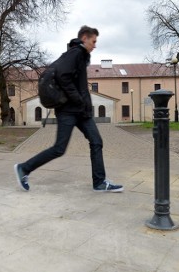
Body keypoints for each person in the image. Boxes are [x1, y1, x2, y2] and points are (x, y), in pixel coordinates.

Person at [14, 25, 123, 193]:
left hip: (82, 112)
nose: (95, 45)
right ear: (84, 38)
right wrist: (78, 99)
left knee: (96, 141)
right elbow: (62, 76)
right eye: (93, 41)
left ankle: (99, 182)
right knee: (59, 148)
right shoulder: (75, 53)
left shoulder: (80, 55)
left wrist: (82, 104)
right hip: (68, 111)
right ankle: (24, 168)